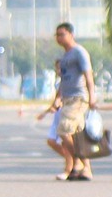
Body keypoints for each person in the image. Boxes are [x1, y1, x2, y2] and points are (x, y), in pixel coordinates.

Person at [35, 23, 95, 182]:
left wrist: (92, 96)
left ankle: (80, 163)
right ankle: (83, 167)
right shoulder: (65, 58)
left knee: (63, 130)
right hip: (67, 98)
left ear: (71, 34)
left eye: (62, 34)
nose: (59, 38)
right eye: (57, 35)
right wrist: (57, 98)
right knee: (76, 135)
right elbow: (63, 81)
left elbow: (88, 75)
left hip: (78, 98)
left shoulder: (79, 52)